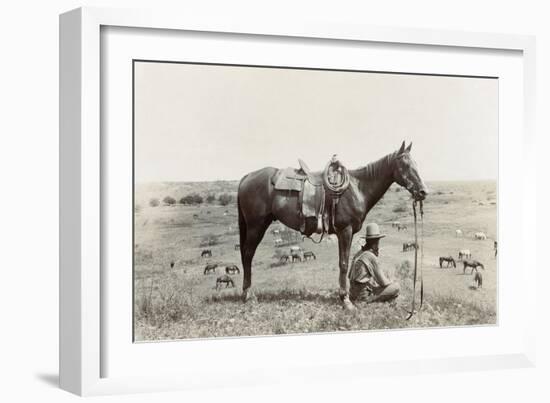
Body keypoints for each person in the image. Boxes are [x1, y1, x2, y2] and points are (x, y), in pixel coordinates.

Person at [348, 223, 400, 303]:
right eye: (378, 242)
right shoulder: (370, 256)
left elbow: (350, 277)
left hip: (352, 294)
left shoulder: (359, 253)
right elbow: (383, 283)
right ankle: (388, 303)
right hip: (363, 297)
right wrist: (391, 281)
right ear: (376, 243)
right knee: (396, 287)